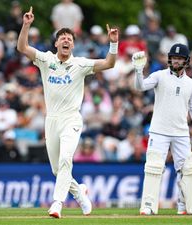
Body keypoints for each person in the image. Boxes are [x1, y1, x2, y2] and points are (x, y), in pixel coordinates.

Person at [17, 7, 118, 218]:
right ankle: (79, 192)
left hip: (71, 119)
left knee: (65, 160)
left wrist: (113, 43)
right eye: (62, 38)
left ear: (73, 44)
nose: (66, 41)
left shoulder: (80, 64)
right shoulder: (46, 60)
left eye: (69, 39)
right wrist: (26, 24)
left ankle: (57, 203)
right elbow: (22, 47)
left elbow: (109, 63)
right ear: (56, 43)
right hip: (51, 119)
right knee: (57, 170)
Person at [132, 43, 192, 215]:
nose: (176, 61)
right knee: (154, 167)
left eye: (180, 58)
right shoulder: (160, 76)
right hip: (159, 130)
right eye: (174, 57)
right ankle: (148, 206)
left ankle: (187, 206)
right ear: (169, 59)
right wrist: (138, 70)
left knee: (188, 169)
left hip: (181, 132)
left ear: (186, 61)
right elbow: (140, 86)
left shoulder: (190, 83)